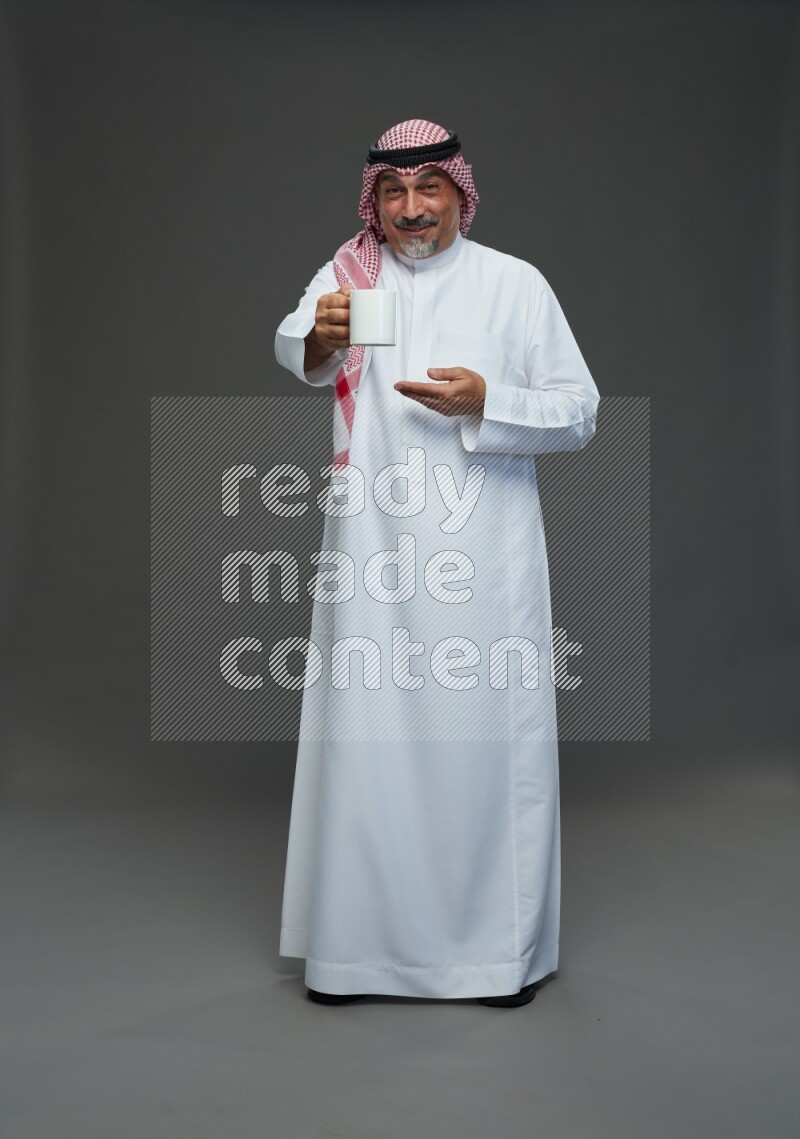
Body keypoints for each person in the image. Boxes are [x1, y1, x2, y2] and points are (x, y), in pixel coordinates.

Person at [274, 119, 600, 1008]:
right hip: (372, 555)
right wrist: (322, 337)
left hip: (481, 564)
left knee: (484, 752)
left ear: (461, 192)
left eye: (430, 189)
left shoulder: (514, 286)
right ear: (373, 200)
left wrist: (486, 400)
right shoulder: (350, 277)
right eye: (394, 191)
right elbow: (298, 348)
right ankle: (356, 956)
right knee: (367, 743)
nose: (412, 209)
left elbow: (579, 412)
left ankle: (494, 959)